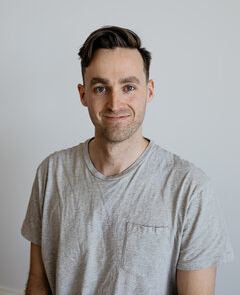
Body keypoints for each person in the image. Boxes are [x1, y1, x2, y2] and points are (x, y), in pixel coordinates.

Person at [22, 26, 233, 295]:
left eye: (129, 87)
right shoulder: (51, 173)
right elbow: (38, 280)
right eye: (100, 88)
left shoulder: (190, 188)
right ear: (83, 94)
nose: (114, 103)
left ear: (149, 91)